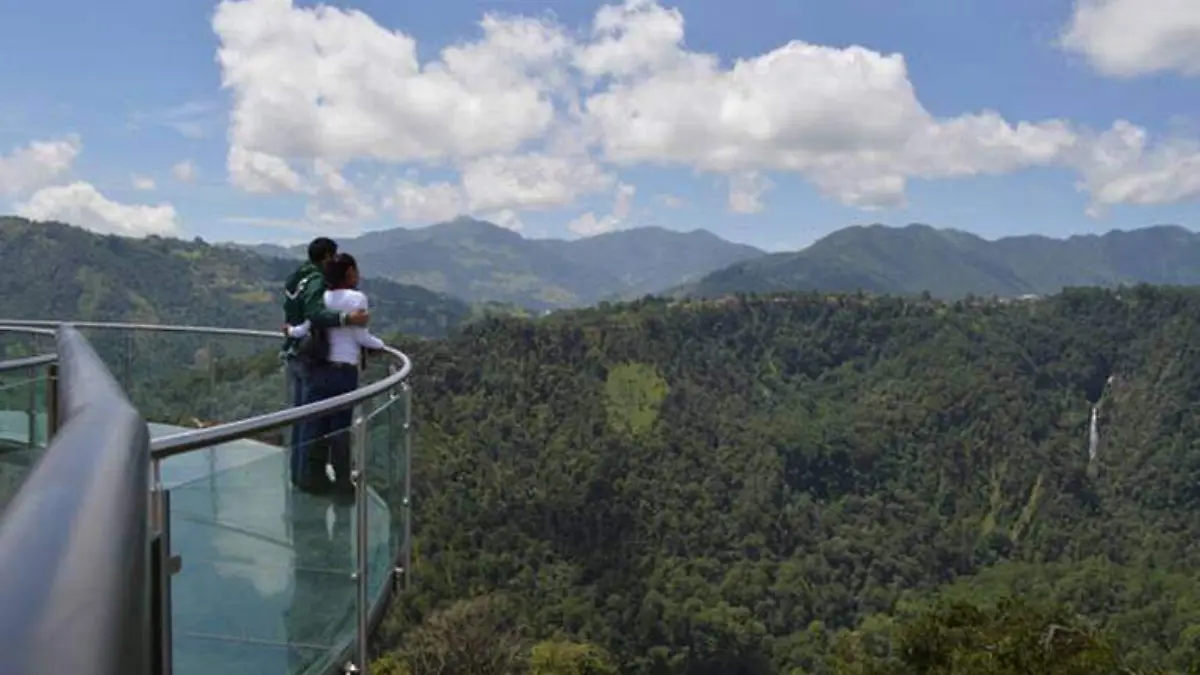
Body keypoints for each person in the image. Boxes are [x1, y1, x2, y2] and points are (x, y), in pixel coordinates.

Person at [285, 253, 386, 500]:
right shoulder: (356, 298)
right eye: (356, 270)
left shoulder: (322, 298)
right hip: (343, 372)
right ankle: (342, 487)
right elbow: (361, 337)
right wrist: (380, 345)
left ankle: (313, 480)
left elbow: (305, 328)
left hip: (319, 370)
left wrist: (290, 330)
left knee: (316, 427)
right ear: (349, 272)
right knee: (340, 430)